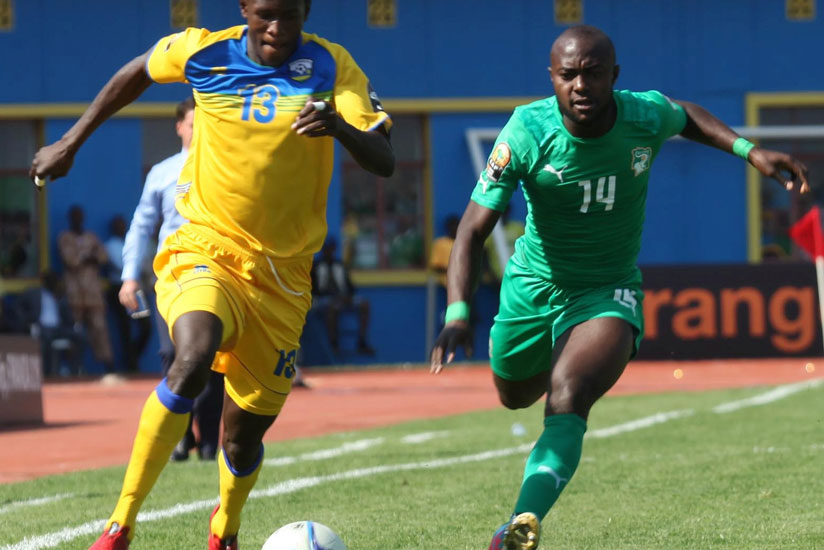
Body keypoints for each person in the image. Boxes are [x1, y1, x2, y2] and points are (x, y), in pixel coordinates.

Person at [429, 25, 808, 550]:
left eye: (593, 73)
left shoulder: (642, 115)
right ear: (552, 78)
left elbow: (687, 114)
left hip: (608, 290)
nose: (580, 85)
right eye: (568, 75)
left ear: (614, 76)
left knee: (569, 394)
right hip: (531, 290)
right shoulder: (525, 131)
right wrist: (456, 314)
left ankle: (519, 526)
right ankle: (545, 361)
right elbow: (472, 230)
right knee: (514, 394)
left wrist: (750, 151)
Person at [31, 0, 393, 548]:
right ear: (245, 7)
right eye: (266, 13)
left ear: (306, 11)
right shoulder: (206, 51)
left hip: (283, 280)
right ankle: (118, 525)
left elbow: (384, 159)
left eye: (291, 15)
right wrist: (70, 140)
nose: (278, 27)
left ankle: (224, 525)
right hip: (207, 248)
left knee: (242, 437)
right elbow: (135, 71)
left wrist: (340, 126)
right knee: (192, 358)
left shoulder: (333, 66)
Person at [119, 96, 225, 462]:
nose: (200, 132)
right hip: (171, 276)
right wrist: (130, 277)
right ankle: (180, 434)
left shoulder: (226, 168)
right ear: (179, 126)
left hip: (217, 274)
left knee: (212, 358)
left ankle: (210, 439)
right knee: (173, 355)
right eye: (194, 124)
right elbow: (142, 227)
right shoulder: (163, 173)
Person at [58, 205, 116, 374]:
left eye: (80, 216)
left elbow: (103, 257)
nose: (78, 219)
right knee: (75, 332)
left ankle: (108, 367)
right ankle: (74, 369)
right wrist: (88, 256)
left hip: (93, 293)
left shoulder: (91, 236)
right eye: (74, 216)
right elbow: (71, 261)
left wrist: (90, 256)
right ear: (70, 218)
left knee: (100, 330)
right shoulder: (65, 237)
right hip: (74, 294)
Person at [13, 270, 84, 376]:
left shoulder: (59, 296)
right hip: (41, 328)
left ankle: (75, 371)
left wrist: (75, 325)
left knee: (80, 336)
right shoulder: (34, 293)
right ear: (44, 282)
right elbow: (17, 307)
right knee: (45, 340)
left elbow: (69, 316)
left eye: (54, 281)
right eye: (50, 281)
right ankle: (48, 374)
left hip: (59, 328)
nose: (53, 284)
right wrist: (28, 323)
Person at [310, 237, 374, 355]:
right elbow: (313, 289)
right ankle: (333, 344)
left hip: (343, 298)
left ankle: (362, 341)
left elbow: (351, 287)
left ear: (334, 249)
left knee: (364, 304)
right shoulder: (316, 266)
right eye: (326, 248)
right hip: (324, 299)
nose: (328, 251)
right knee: (331, 307)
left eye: (330, 248)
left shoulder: (340, 265)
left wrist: (347, 296)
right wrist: (333, 297)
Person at [106, 214, 151, 372]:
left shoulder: (132, 244)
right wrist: (134, 267)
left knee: (145, 327)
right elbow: (121, 265)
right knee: (124, 328)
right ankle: (130, 364)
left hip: (137, 290)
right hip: (119, 289)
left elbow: (145, 264)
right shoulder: (111, 245)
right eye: (118, 225)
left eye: (123, 224)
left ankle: (133, 356)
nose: (122, 227)